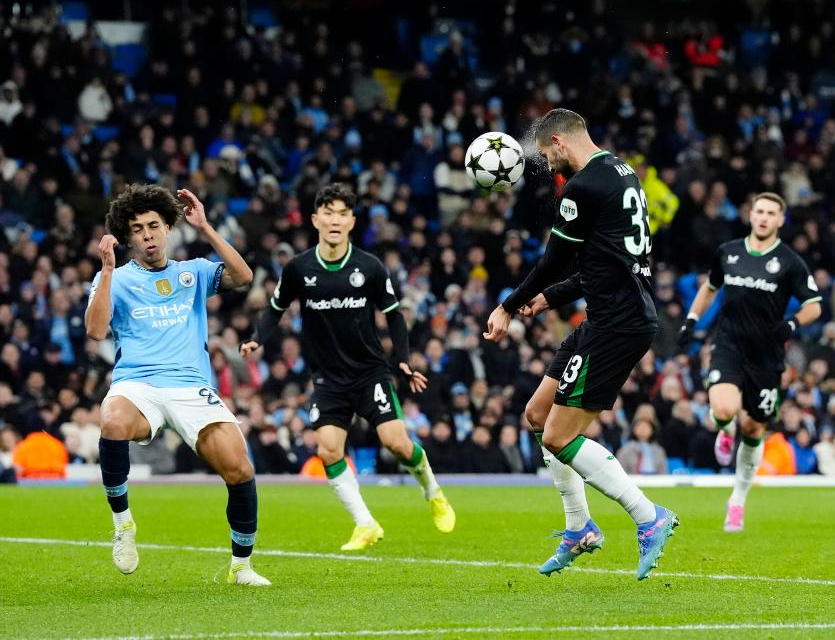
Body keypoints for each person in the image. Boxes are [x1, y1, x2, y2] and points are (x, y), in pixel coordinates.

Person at [485, 108, 676, 581]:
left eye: (547, 155)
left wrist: (509, 305)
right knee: (536, 415)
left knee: (558, 436)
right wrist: (549, 299)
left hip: (617, 324)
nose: (547, 164)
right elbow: (604, 262)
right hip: (608, 316)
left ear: (558, 141)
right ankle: (579, 528)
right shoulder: (621, 172)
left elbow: (553, 260)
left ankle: (648, 516)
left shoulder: (583, 186)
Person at [242, 184, 454, 551]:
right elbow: (275, 308)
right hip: (327, 378)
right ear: (315, 220)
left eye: (342, 214)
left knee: (397, 444)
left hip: (369, 372)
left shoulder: (369, 266)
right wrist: (257, 338)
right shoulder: (299, 268)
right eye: (328, 213)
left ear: (352, 222)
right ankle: (365, 523)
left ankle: (433, 492)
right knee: (328, 450)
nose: (335, 220)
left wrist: (403, 358)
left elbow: (394, 316)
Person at [84, 184, 269, 585]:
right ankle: (123, 524)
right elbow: (96, 331)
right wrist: (107, 271)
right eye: (137, 229)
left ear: (168, 227)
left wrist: (205, 228)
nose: (148, 235)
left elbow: (244, 276)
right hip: (138, 384)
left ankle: (241, 566)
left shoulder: (194, 271)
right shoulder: (114, 278)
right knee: (112, 421)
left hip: (190, 386)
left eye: (154, 225)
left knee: (239, 469)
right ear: (128, 236)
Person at [677, 192, 822, 531]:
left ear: (780, 220)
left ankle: (737, 501)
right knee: (724, 409)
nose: (764, 217)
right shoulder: (728, 252)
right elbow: (710, 287)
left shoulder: (789, 261)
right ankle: (725, 429)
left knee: (755, 430)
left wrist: (792, 323)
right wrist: (691, 319)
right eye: (759, 211)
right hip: (728, 345)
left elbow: (814, 304)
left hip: (767, 356)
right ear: (750, 214)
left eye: (771, 213)